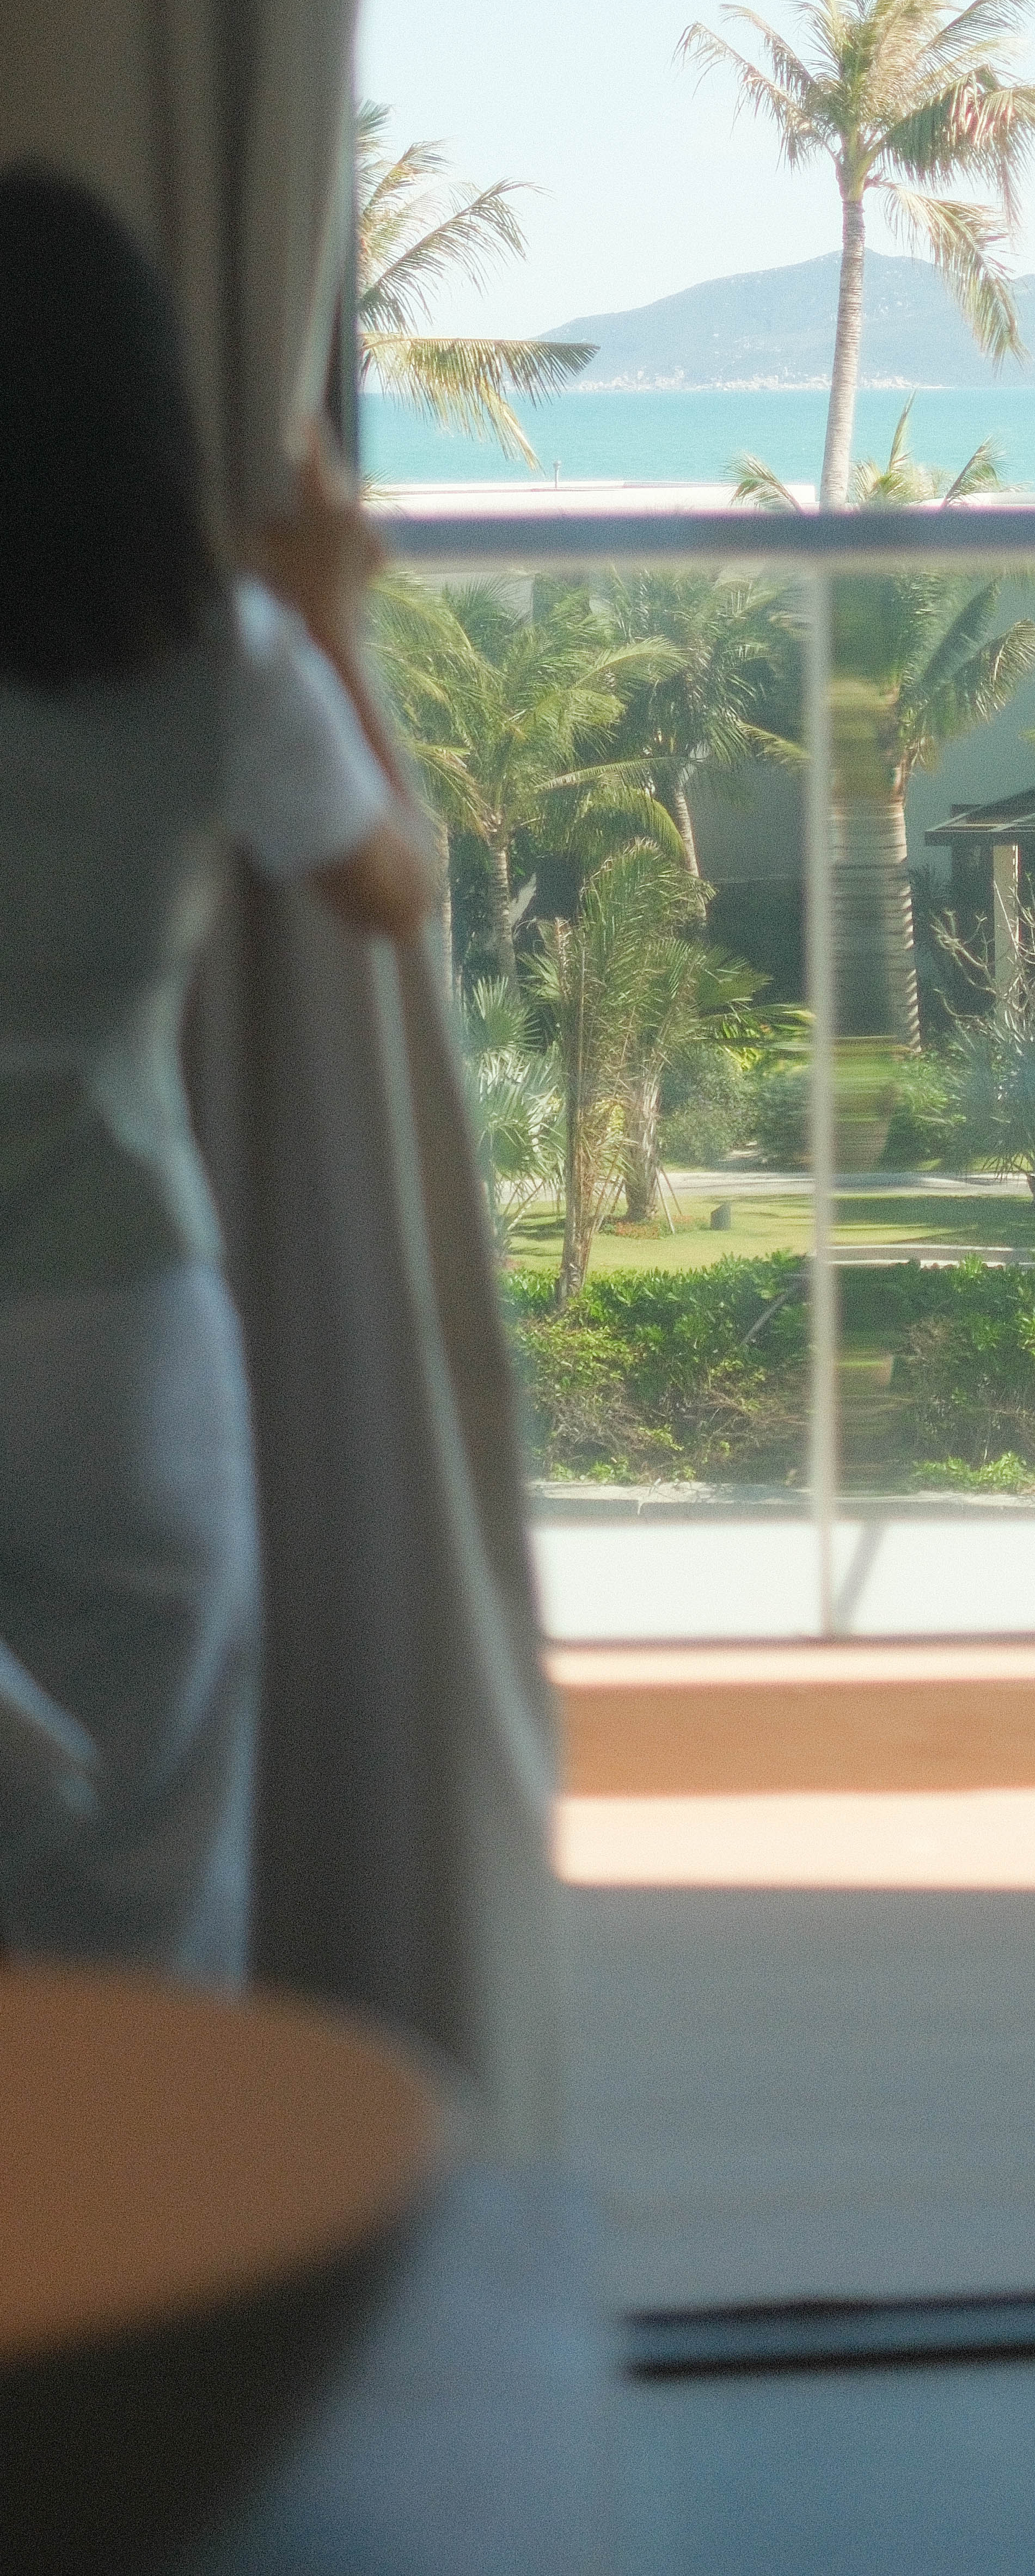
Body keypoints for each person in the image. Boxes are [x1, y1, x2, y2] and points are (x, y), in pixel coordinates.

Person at [0, 164, 437, 1979]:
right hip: (107, 1324)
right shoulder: (219, 658)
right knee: (148, 1855)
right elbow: (389, 891)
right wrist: (325, 610)